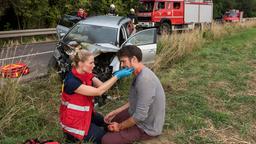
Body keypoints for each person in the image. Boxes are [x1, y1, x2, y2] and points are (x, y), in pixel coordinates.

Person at [59, 47, 134, 144]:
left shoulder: (86, 73)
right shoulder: (71, 81)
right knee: (103, 137)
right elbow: (99, 91)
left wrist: (114, 76)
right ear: (81, 63)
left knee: (105, 122)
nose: (93, 65)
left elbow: (102, 86)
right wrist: (117, 76)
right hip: (73, 122)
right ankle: (71, 137)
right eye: (91, 63)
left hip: (86, 114)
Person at [102, 45, 166, 144]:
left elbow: (140, 116)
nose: (122, 65)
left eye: (123, 61)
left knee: (106, 140)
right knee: (111, 120)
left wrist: (119, 127)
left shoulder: (145, 80)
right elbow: (135, 100)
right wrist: (115, 111)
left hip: (147, 126)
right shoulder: (139, 73)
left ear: (134, 59)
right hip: (138, 114)